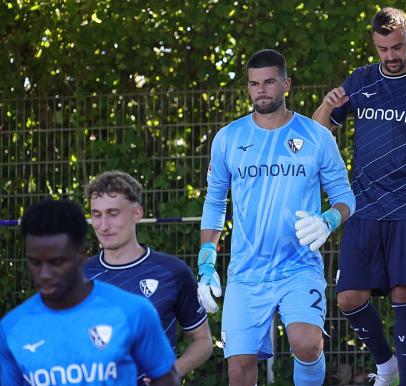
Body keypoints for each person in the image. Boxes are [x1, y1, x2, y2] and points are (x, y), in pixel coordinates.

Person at [312, 7, 406, 386]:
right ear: (374, 45)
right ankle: (387, 367)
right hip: (364, 205)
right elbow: (316, 135)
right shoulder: (359, 80)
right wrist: (327, 104)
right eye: (383, 49)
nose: (391, 56)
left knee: (404, 291)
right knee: (348, 298)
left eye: (397, 46)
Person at [197, 48, 355, 386]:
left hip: (298, 266)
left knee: (307, 344)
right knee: (239, 368)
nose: (261, 91)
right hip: (245, 272)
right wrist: (206, 262)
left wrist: (328, 220)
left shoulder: (317, 136)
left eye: (269, 82)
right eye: (254, 84)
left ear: (286, 84)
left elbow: (345, 198)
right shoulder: (228, 138)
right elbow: (214, 202)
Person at [0, 199, 179, 385]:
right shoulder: (12, 328)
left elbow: (165, 377)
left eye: (57, 262)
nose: (44, 274)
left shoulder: (133, 311)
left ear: (81, 255)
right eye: (35, 263)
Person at [84, 170, 212, 385]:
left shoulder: (173, 272)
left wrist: (173, 371)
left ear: (137, 214)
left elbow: (203, 340)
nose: (103, 225)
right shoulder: (77, 277)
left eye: (113, 213)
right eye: (96, 214)